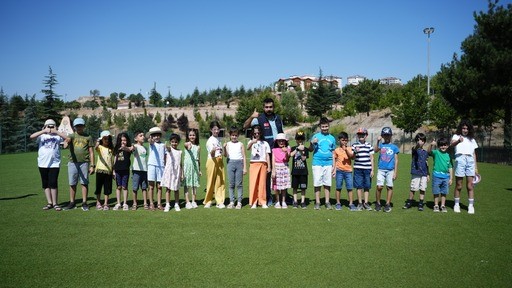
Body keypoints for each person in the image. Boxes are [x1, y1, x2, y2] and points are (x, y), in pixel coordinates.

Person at [244, 97, 284, 205]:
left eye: (270, 107)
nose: (268, 109)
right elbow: (245, 126)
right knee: (267, 175)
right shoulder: (259, 118)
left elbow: (282, 134)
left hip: (278, 151)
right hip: (266, 151)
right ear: (263, 107)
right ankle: (268, 197)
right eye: (266, 107)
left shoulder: (278, 118)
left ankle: (280, 198)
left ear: (273, 107)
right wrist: (252, 116)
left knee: (280, 174)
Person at [30, 119, 68, 211]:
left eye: (52, 126)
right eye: (48, 126)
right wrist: (44, 131)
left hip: (54, 163)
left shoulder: (57, 136)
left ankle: (55, 203)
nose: (50, 129)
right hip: (42, 163)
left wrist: (56, 131)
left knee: (53, 183)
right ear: (45, 126)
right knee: (45, 184)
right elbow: (32, 137)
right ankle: (49, 203)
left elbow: (67, 138)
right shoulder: (42, 136)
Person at [62, 117, 95, 211]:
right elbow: (67, 141)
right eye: (77, 126)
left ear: (84, 126)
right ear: (74, 127)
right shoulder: (72, 136)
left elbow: (91, 152)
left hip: (84, 163)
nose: (79, 127)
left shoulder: (88, 137)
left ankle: (84, 203)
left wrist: (92, 165)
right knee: (72, 183)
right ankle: (72, 202)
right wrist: (66, 143)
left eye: (81, 126)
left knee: (84, 183)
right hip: (72, 163)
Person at [451, 119, 478, 214]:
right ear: (460, 128)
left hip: (470, 161)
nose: (465, 130)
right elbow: (452, 144)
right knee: (459, 185)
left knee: (470, 185)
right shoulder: (456, 136)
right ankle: (456, 204)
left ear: (469, 129)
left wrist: (476, 167)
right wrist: (458, 141)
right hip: (460, 159)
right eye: (463, 128)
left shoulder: (472, 139)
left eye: (467, 128)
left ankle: (471, 206)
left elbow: (474, 154)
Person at [309, 117, 336, 210]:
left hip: (328, 163)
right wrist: (312, 142)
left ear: (329, 126)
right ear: (320, 127)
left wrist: (334, 166)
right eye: (323, 126)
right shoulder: (316, 136)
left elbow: (333, 153)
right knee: (317, 183)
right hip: (317, 163)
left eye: (326, 126)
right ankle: (317, 202)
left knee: (327, 183)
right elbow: (311, 149)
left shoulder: (332, 138)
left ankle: (327, 202)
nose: (325, 128)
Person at [374, 127, 400, 212]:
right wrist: (378, 141)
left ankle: (388, 204)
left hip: (390, 170)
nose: (386, 137)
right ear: (382, 136)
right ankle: (378, 203)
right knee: (379, 187)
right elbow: (375, 150)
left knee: (389, 187)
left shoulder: (394, 147)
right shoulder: (381, 145)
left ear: (391, 136)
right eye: (385, 135)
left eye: (388, 135)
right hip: (381, 169)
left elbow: (396, 160)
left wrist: (395, 172)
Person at [403, 133, 429, 211]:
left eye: (422, 140)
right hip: (416, 172)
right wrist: (418, 144)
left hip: (424, 173)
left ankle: (421, 203)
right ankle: (409, 202)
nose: (420, 142)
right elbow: (416, 148)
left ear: (424, 142)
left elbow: (427, 163)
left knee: (423, 188)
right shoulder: (414, 149)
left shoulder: (425, 152)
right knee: (413, 187)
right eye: (418, 140)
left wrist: (428, 174)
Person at [248, 125, 271, 208]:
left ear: (261, 133)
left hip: (263, 164)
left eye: (258, 133)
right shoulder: (251, 141)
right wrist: (252, 142)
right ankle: (253, 202)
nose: (257, 134)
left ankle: (262, 201)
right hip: (254, 163)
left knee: (262, 184)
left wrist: (269, 166)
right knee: (253, 183)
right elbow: (248, 148)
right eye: (255, 133)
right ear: (253, 133)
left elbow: (267, 155)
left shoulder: (265, 143)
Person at [204, 121, 226, 209]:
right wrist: (213, 150)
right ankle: (208, 201)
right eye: (214, 129)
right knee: (211, 182)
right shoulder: (210, 141)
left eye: (217, 129)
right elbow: (212, 154)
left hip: (220, 161)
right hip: (212, 161)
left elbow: (222, 152)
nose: (216, 131)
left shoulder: (219, 140)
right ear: (211, 130)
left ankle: (220, 201)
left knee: (220, 182)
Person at [223, 126, 247, 209]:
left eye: (236, 135)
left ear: (238, 135)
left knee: (239, 184)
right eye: (232, 135)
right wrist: (224, 147)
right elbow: (225, 155)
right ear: (230, 135)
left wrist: (245, 168)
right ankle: (232, 201)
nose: (234, 137)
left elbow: (244, 156)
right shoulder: (228, 144)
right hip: (230, 163)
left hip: (239, 164)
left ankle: (239, 202)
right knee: (231, 184)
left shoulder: (241, 144)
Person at [428, 138, 453, 212]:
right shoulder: (436, 152)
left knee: (444, 192)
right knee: (436, 192)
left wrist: (451, 178)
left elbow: (450, 167)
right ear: (438, 146)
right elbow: (428, 152)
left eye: (445, 145)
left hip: (446, 177)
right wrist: (431, 145)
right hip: (436, 176)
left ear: (447, 146)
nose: (443, 147)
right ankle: (436, 205)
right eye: (441, 145)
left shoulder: (448, 156)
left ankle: (442, 205)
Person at [351, 128, 374, 211]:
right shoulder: (354, 145)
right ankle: (360, 203)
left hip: (367, 169)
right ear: (357, 135)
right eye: (359, 134)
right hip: (358, 168)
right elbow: (353, 158)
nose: (361, 136)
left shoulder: (369, 145)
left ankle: (366, 203)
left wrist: (372, 170)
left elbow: (372, 158)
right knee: (359, 186)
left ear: (366, 135)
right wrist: (355, 152)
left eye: (363, 134)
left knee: (367, 186)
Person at [333, 132, 355, 211]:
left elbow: (352, 157)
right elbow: (335, 160)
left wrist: (346, 150)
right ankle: (338, 203)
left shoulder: (349, 148)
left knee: (349, 188)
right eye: (343, 140)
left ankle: (351, 203)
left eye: (346, 140)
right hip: (339, 171)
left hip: (348, 171)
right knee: (338, 187)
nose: (344, 142)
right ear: (339, 141)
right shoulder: (336, 150)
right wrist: (334, 170)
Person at [161, 133, 183, 212]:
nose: (174, 143)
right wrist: (166, 146)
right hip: (169, 172)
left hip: (176, 172)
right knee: (168, 189)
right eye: (172, 141)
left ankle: (176, 204)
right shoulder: (169, 149)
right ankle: (167, 204)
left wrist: (182, 173)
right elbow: (168, 149)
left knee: (176, 189)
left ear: (178, 142)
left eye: (176, 142)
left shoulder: (180, 151)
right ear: (170, 142)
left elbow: (180, 164)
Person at [94, 130, 114, 210]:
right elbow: (95, 148)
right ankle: (98, 202)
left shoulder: (111, 149)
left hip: (108, 171)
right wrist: (97, 143)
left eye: (108, 138)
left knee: (107, 188)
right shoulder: (99, 147)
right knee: (98, 187)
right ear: (102, 139)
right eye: (105, 138)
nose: (107, 140)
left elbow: (112, 160)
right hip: (100, 170)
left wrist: (113, 171)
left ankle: (106, 203)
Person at [147, 127, 166, 211]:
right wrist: (150, 139)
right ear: (151, 137)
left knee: (159, 186)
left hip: (161, 167)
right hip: (152, 165)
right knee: (151, 186)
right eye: (154, 135)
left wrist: (165, 166)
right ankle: (151, 203)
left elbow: (165, 156)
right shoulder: (152, 143)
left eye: (158, 135)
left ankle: (159, 203)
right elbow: (150, 142)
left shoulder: (163, 145)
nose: (156, 137)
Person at [113, 132, 133, 211]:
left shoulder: (128, 148)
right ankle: (118, 203)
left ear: (127, 140)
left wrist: (125, 148)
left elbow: (131, 149)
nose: (123, 142)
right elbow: (115, 159)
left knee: (124, 187)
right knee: (118, 187)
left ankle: (125, 203)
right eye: (121, 140)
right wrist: (113, 170)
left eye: (124, 140)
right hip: (117, 170)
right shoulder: (116, 149)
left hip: (125, 170)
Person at [290, 131, 309, 209]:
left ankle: (302, 201)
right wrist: (297, 149)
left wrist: (302, 151)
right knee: (295, 187)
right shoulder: (293, 148)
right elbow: (291, 155)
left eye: (301, 139)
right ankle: (295, 201)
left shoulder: (306, 149)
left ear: (303, 140)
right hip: (295, 171)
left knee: (303, 187)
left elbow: (304, 158)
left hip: (303, 171)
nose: (300, 140)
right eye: (298, 139)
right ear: (296, 139)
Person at [272, 133, 291, 209]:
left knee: (284, 186)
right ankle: (277, 201)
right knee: (276, 186)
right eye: (279, 141)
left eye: (282, 141)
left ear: (285, 141)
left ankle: (283, 201)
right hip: (276, 167)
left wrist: (286, 152)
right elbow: (273, 160)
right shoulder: (274, 150)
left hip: (284, 167)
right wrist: (273, 170)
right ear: (277, 142)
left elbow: (287, 159)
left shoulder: (288, 148)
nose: (281, 142)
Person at [183, 128, 201, 209]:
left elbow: (199, 159)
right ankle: (187, 202)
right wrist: (189, 146)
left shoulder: (198, 147)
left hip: (195, 166)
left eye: (193, 135)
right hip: (187, 166)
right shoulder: (186, 143)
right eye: (190, 135)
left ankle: (193, 201)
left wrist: (199, 170)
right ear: (188, 136)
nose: (192, 136)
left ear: (196, 136)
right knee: (187, 185)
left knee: (194, 185)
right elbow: (187, 146)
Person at [131, 131, 148, 210]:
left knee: (144, 188)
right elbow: (133, 150)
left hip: (144, 171)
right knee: (135, 188)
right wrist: (133, 148)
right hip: (136, 171)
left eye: (143, 135)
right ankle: (135, 203)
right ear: (135, 138)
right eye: (140, 135)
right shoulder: (135, 146)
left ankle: (145, 203)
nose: (143, 137)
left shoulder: (145, 148)